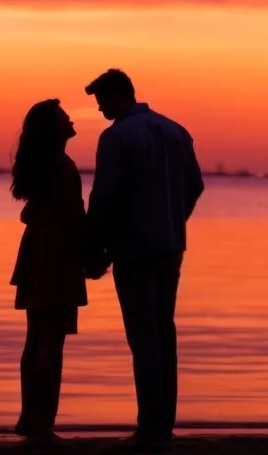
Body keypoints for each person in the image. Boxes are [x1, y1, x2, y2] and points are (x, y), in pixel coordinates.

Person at [83, 69, 203, 452]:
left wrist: (94, 249)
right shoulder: (176, 131)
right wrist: (172, 218)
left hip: (133, 249)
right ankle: (162, 423)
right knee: (164, 333)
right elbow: (195, 185)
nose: (99, 108)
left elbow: (104, 196)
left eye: (101, 101)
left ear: (118, 95)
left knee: (143, 336)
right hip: (169, 248)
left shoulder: (116, 136)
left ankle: (150, 425)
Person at [9, 99, 88, 446]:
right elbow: (72, 217)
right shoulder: (61, 166)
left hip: (36, 252)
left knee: (36, 337)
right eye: (63, 116)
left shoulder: (43, 164)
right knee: (50, 341)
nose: (71, 119)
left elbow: (37, 212)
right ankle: (42, 422)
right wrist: (91, 254)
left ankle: (30, 418)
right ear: (52, 128)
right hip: (56, 255)